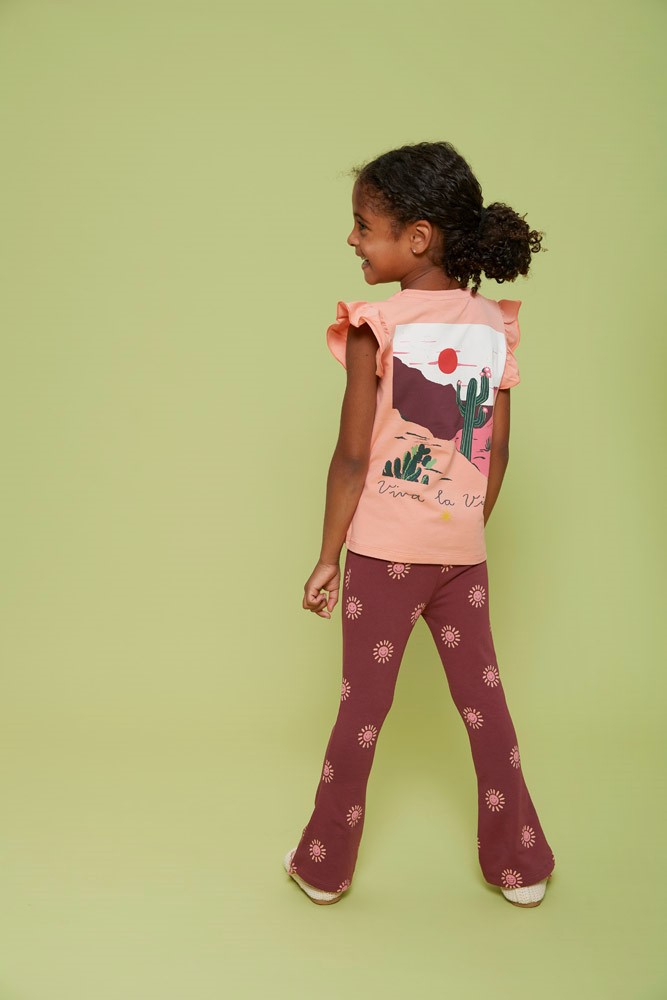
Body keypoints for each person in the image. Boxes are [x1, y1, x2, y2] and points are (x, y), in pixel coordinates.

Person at [283, 140, 556, 908]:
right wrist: (460, 524)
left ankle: (323, 866)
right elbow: (496, 451)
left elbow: (350, 457)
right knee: (485, 706)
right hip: (461, 554)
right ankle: (520, 864)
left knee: (361, 714)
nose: (351, 239)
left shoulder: (375, 324)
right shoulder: (492, 327)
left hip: (382, 558)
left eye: (363, 226)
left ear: (417, 236)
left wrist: (327, 556)